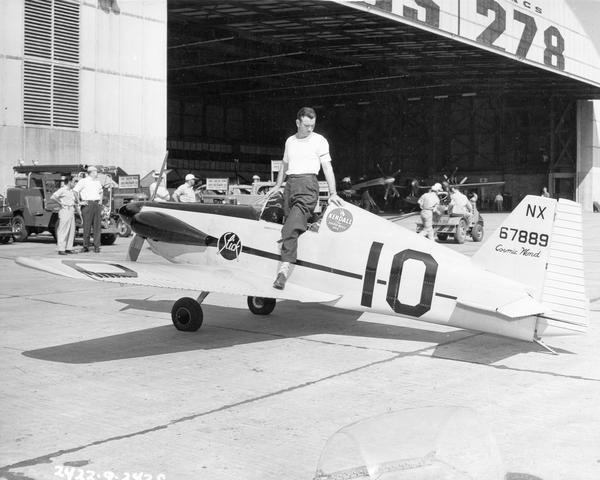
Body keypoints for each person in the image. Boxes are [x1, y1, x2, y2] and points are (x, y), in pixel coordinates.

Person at [267, 107, 342, 290]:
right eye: (306, 125)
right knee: (293, 224)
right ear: (297, 122)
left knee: (290, 228)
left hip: (308, 186)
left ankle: (283, 271)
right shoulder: (290, 142)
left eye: (313, 125)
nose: (310, 129)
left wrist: (333, 193)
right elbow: (284, 165)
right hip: (290, 186)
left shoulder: (319, 141)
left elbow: (328, 168)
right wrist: (278, 185)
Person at [73, 165, 104, 253]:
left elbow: (101, 192)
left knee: (97, 227)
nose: (97, 173)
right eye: (96, 172)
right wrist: (79, 202)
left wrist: (100, 201)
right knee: (87, 226)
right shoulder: (83, 181)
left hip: (96, 204)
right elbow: (75, 191)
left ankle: (96, 246)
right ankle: (85, 246)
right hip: (87, 204)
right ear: (92, 172)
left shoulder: (97, 182)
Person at [50, 176, 78, 255]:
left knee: (71, 230)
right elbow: (53, 197)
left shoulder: (71, 191)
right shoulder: (63, 189)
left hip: (71, 210)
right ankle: (61, 249)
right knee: (63, 230)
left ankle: (69, 248)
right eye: (73, 182)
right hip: (65, 210)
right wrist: (60, 203)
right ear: (69, 182)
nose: (74, 183)